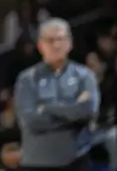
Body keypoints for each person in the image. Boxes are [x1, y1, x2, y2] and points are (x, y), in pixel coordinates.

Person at [14, 18, 100, 171]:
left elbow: (88, 111)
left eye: (61, 39)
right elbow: (31, 121)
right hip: (36, 164)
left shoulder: (84, 76)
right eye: (50, 40)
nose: (56, 45)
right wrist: (72, 115)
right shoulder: (27, 79)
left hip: (76, 161)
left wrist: (47, 108)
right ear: (40, 45)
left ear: (70, 43)